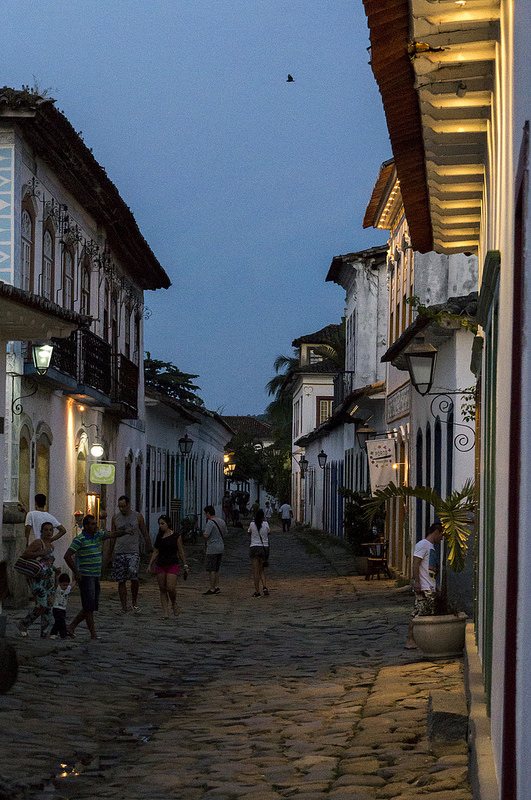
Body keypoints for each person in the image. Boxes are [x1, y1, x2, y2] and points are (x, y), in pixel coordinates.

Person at [64, 514, 133, 640]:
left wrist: (125, 532)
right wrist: (76, 572)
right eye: (92, 524)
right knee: (89, 606)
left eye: (95, 523)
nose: (95, 526)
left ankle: (72, 627)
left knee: (91, 606)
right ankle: (92, 633)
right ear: (86, 526)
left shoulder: (97, 536)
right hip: (86, 576)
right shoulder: (79, 540)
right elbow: (67, 556)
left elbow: (112, 534)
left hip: (95, 575)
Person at [405, 522, 445, 649]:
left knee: (423, 613)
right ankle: (411, 640)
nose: (442, 538)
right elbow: (416, 564)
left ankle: (420, 639)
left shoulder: (430, 547)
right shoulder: (423, 545)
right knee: (419, 614)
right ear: (436, 532)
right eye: (441, 535)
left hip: (429, 586)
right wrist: (417, 582)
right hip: (424, 586)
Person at [111, 495, 153, 614]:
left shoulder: (137, 517)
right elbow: (113, 535)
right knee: (121, 580)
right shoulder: (115, 518)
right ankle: (124, 605)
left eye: (123, 506)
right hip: (119, 551)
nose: (121, 509)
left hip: (133, 551)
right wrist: (110, 553)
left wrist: (149, 547)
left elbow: (144, 532)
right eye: (119, 507)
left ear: (128, 504)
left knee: (134, 576)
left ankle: (134, 602)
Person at [18, 522, 57, 638]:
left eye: (50, 530)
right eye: (46, 530)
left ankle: (45, 632)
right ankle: (24, 623)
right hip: (37, 579)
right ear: (41, 531)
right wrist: (40, 553)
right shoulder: (38, 543)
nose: (48, 532)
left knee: (49, 607)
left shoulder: (51, 546)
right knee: (41, 605)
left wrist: (55, 570)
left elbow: (48, 562)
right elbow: (25, 554)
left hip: (49, 579)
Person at [147, 515, 188, 618]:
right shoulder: (159, 537)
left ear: (168, 524)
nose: (161, 526)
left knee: (171, 587)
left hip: (172, 564)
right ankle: (165, 612)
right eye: (159, 524)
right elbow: (156, 551)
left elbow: (181, 551)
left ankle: (174, 603)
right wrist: (150, 564)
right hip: (160, 564)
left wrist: (185, 564)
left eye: (163, 523)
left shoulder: (176, 536)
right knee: (162, 589)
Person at [202, 505, 227, 595]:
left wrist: (203, 534)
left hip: (212, 548)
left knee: (211, 569)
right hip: (221, 547)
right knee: (217, 569)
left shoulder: (210, 523)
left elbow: (206, 535)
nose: (205, 515)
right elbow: (225, 534)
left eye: (205, 513)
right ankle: (216, 586)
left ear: (208, 513)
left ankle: (212, 588)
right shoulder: (221, 521)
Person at [248, 508, 271, 598]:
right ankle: (264, 586)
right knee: (262, 569)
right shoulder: (266, 524)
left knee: (255, 571)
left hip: (254, 547)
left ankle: (257, 591)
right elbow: (269, 532)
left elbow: (249, 533)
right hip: (264, 548)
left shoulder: (252, 524)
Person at [50, 573, 75, 640]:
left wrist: (75, 578)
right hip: (56, 608)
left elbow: (72, 585)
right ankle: (63, 634)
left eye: (66, 585)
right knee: (62, 622)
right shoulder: (58, 589)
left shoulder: (67, 589)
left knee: (58, 622)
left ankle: (53, 633)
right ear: (60, 583)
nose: (65, 587)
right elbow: (56, 582)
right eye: (64, 585)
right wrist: (56, 574)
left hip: (63, 609)